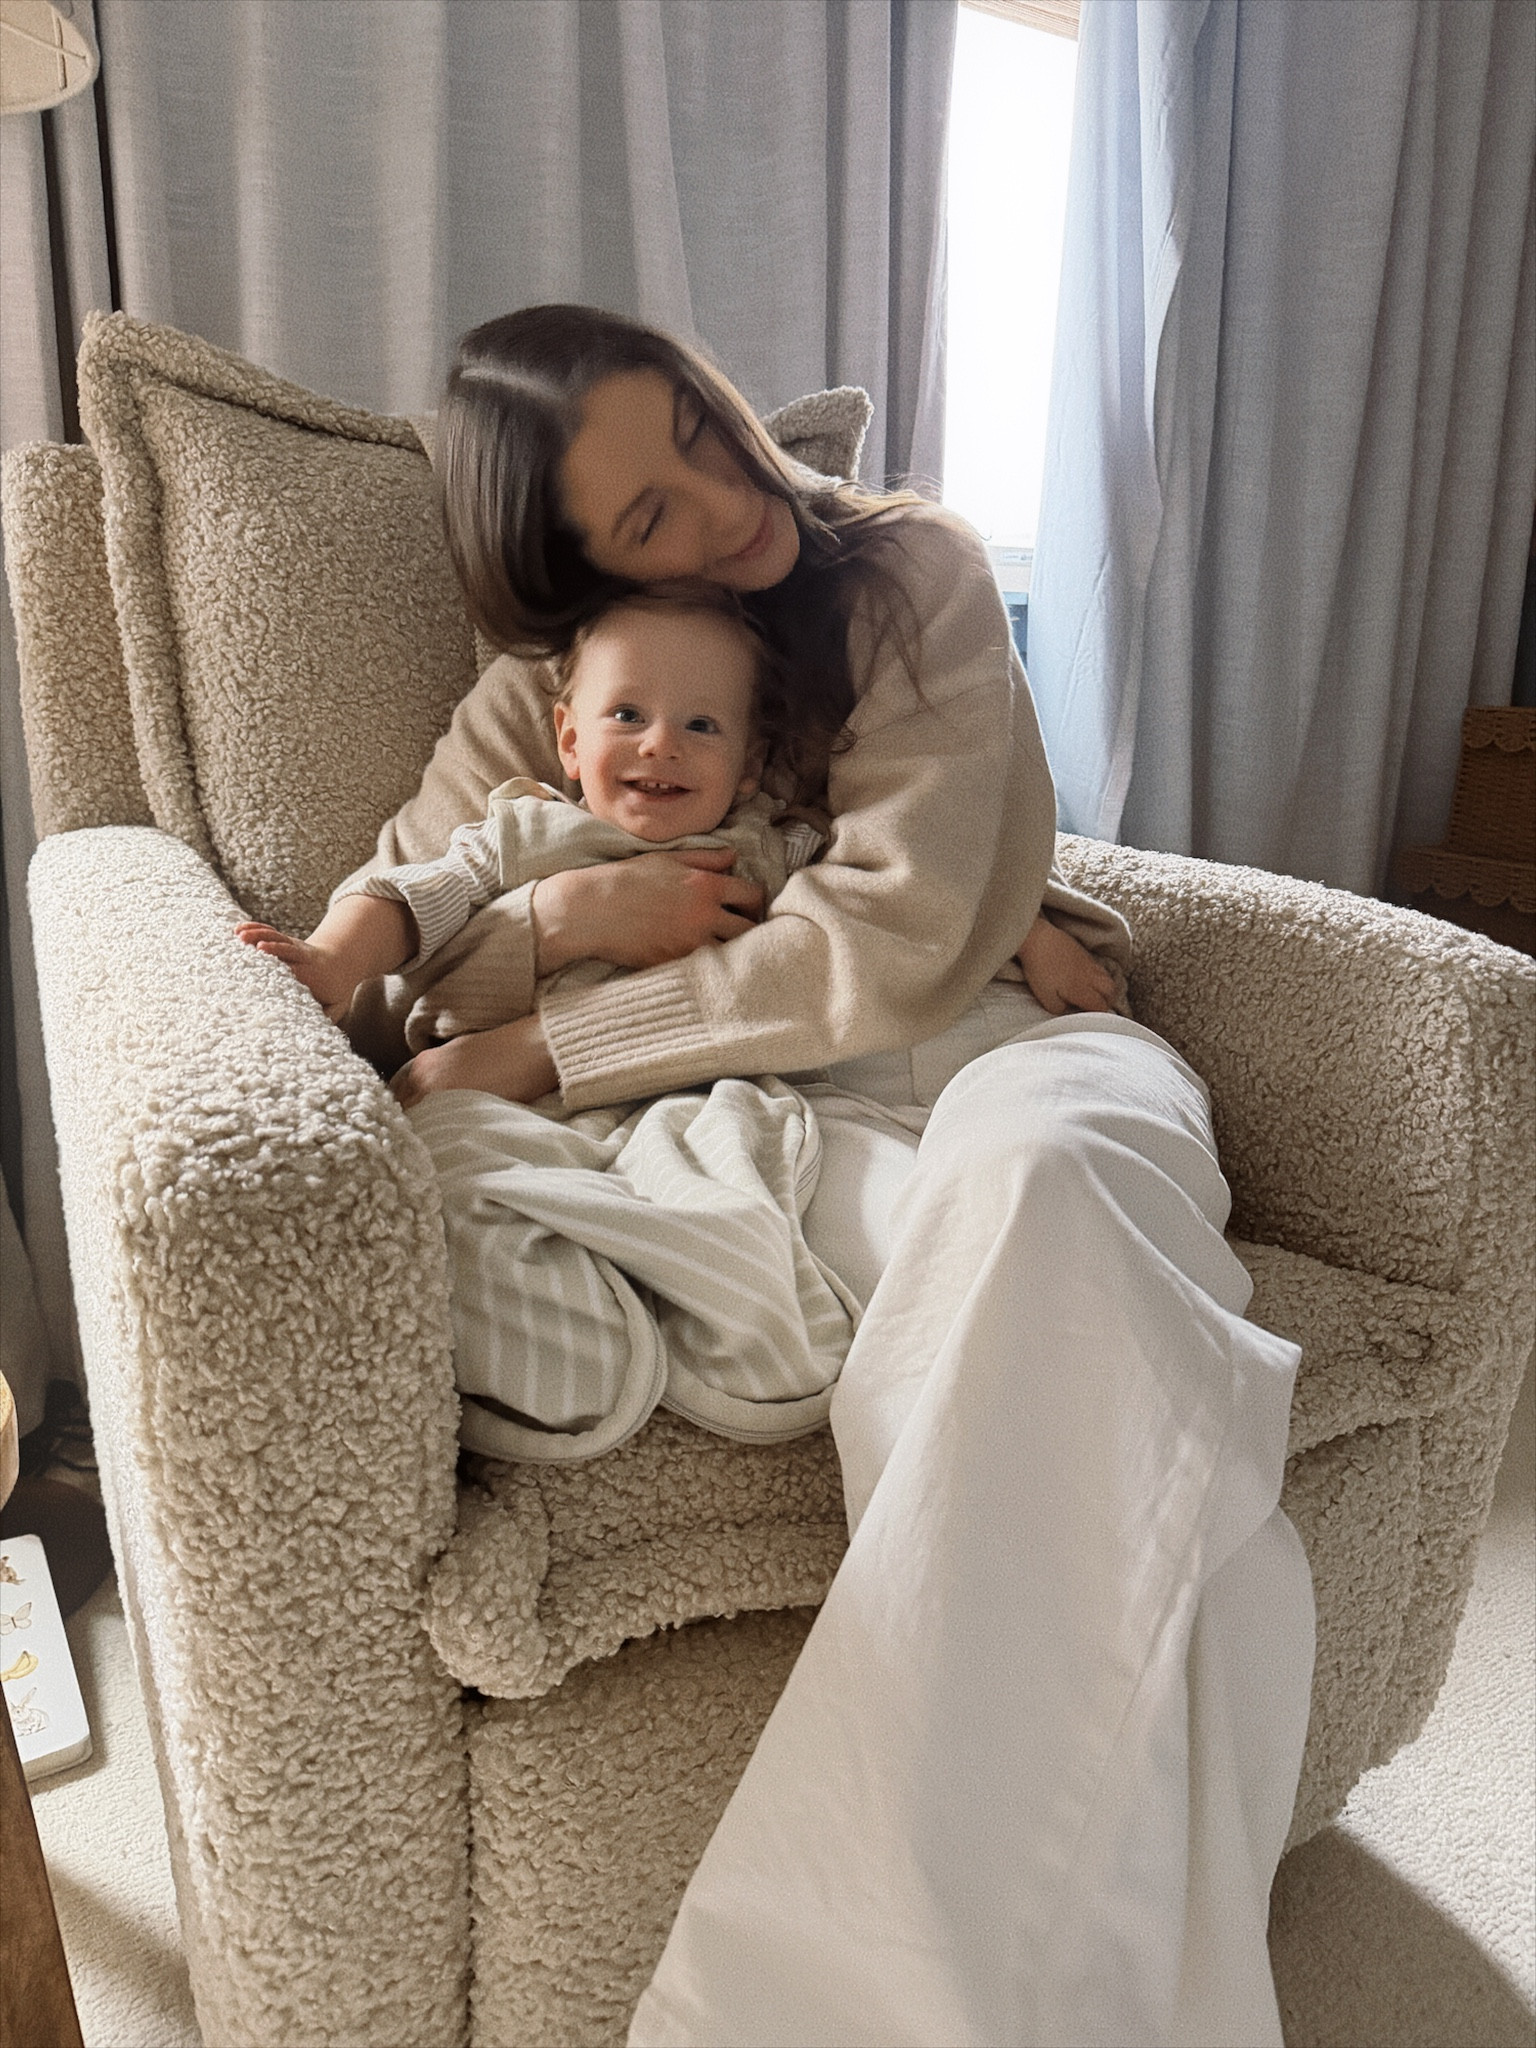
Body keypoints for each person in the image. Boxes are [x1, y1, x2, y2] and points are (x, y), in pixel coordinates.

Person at [340, 304, 1316, 2047]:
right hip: (806, 1128)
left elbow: (889, 934)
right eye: (648, 515)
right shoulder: (555, 699)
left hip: (1021, 1045)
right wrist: (562, 916)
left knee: (1048, 1208)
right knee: (1137, 1432)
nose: (723, 504)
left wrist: (552, 1031)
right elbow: (412, 942)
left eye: (701, 433)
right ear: (571, 585)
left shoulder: (907, 571)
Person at [237, 591, 1116, 1105]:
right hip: (540, 1101)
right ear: (569, 742)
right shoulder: (525, 829)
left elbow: (906, 894)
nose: (661, 745)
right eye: (627, 716)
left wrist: (1029, 931)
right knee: (461, 1157)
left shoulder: (762, 847)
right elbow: (405, 899)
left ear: (747, 768)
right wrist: (327, 960)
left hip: (698, 1086)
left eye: (701, 725)